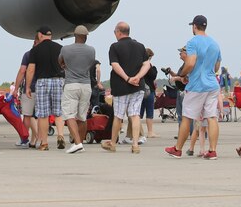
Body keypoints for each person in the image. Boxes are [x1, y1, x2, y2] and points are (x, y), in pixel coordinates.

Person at [165, 15, 221, 160]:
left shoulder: (192, 42)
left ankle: (177, 149)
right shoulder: (215, 44)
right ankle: (212, 151)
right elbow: (216, 67)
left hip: (197, 85)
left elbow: (190, 63)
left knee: (187, 117)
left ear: (194, 26)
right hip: (212, 85)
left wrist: (182, 74)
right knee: (212, 117)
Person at [102, 21, 150, 155]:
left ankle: (113, 143)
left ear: (118, 32)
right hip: (138, 86)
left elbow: (115, 65)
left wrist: (127, 78)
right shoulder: (140, 46)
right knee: (135, 115)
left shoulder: (114, 47)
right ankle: (135, 144)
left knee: (118, 115)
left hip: (121, 87)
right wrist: (138, 77)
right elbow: (147, 64)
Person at [25, 26, 64, 152]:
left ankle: (44, 142)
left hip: (42, 82)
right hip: (58, 81)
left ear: (40, 35)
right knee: (58, 112)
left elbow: (31, 69)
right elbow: (65, 65)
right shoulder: (60, 48)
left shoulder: (35, 50)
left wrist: (28, 86)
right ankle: (60, 135)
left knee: (43, 115)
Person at [58, 24, 95, 154]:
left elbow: (60, 61)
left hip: (71, 85)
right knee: (82, 117)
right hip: (86, 85)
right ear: (86, 37)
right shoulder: (91, 50)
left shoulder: (66, 49)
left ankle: (77, 143)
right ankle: (80, 143)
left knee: (70, 115)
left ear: (75, 35)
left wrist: (65, 66)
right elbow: (91, 63)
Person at [139, 48, 158, 142]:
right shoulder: (148, 66)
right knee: (149, 111)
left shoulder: (138, 65)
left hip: (139, 91)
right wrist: (154, 68)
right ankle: (150, 132)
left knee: (138, 113)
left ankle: (138, 131)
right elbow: (153, 75)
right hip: (149, 91)